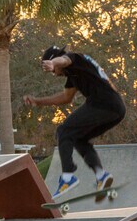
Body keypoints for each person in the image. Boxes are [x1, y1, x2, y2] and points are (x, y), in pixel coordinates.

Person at [23, 45, 126, 199]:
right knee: (78, 138)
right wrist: (38, 101)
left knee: (64, 131)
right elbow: (66, 98)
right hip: (116, 109)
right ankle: (101, 175)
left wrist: (53, 63)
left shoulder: (76, 58)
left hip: (103, 103)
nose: (54, 74)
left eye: (53, 71)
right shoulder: (73, 75)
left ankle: (67, 177)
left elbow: (64, 60)